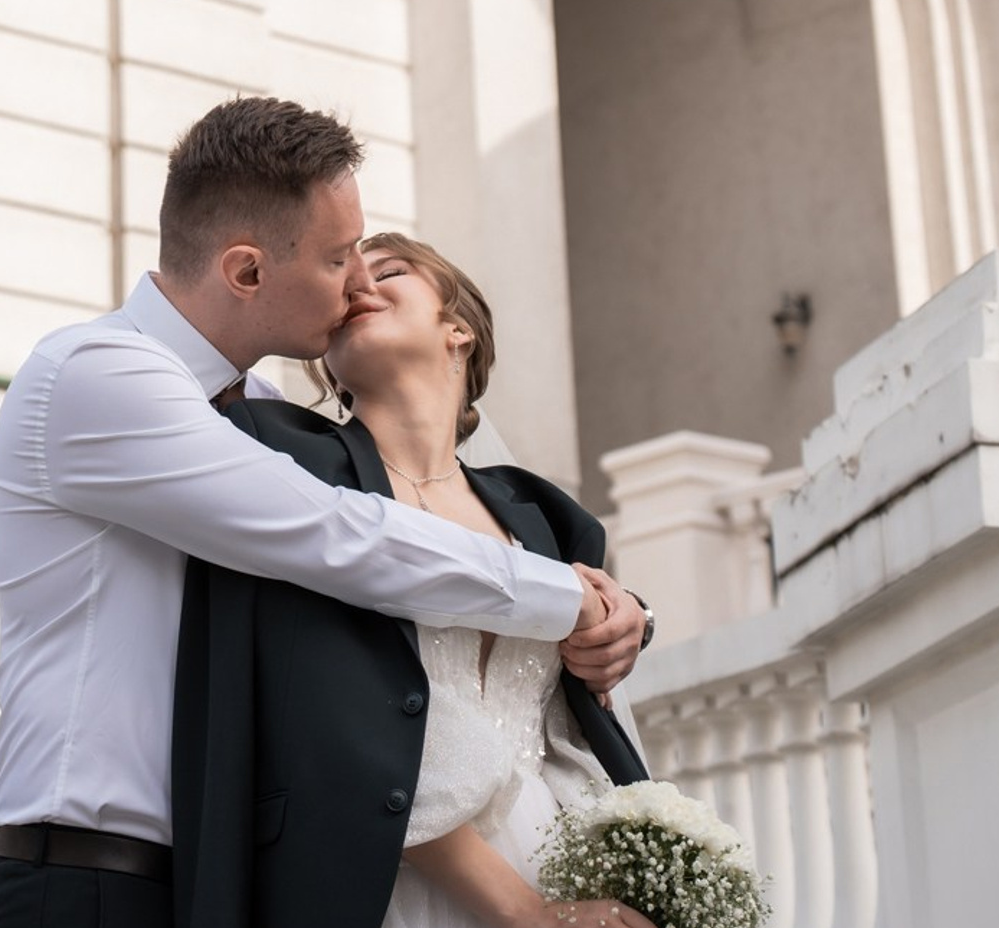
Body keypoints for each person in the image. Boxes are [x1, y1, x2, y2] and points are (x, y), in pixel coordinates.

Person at [0, 99, 649, 928]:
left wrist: (619, 616)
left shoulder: (263, 414)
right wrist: (563, 599)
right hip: (81, 881)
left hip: (222, 886)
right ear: (248, 271)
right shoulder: (100, 377)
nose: (359, 279)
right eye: (339, 257)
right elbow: (339, 535)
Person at [172, 233, 658, 928]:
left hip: (563, 863)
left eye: (390, 271)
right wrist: (523, 912)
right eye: (343, 281)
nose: (359, 285)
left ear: (457, 328)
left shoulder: (543, 516)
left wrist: (628, 622)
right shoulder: (285, 462)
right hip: (388, 878)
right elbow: (330, 710)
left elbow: (575, 718)